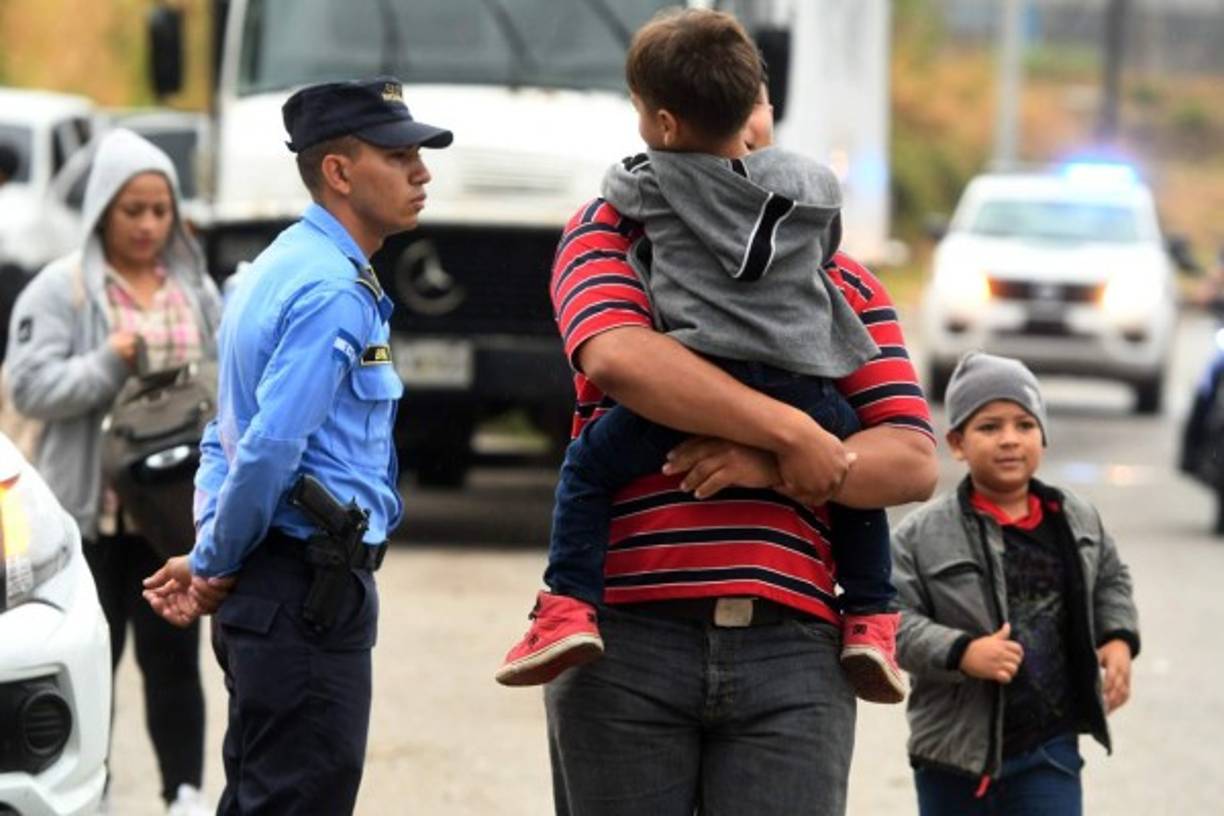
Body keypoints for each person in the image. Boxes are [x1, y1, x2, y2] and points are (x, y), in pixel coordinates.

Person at [539, 28, 938, 816]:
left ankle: (872, 620)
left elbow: (911, 460)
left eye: (759, 105)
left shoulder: (838, 276)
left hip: (793, 656)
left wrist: (772, 465)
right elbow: (619, 357)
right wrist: (792, 434)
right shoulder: (612, 229)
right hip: (626, 643)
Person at [141, 77, 451, 814]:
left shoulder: (273, 268)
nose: (421, 173)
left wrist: (214, 551)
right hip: (306, 593)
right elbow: (267, 448)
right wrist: (214, 562)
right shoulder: (330, 290)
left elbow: (224, 436)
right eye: (398, 156)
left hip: (275, 593)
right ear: (338, 172)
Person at [5, 128, 221, 816]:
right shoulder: (61, 289)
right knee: (89, 665)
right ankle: (88, 795)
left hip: (168, 521)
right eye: (133, 210)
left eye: (160, 209)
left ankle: (184, 794)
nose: (148, 225)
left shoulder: (196, 291)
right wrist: (107, 363)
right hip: (86, 520)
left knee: (174, 662)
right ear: (103, 210)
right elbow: (29, 388)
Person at [891, 351, 1140, 815]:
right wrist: (962, 652)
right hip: (953, 754)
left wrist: (1118, 638)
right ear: (957, 443)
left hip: (1049, 748)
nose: (1009, 439)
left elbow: (1110, 578)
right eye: (989, 427)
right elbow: (891, 620)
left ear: (1042, 436)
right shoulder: (920, 535)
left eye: (1024, 425)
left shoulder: (1076, 518)